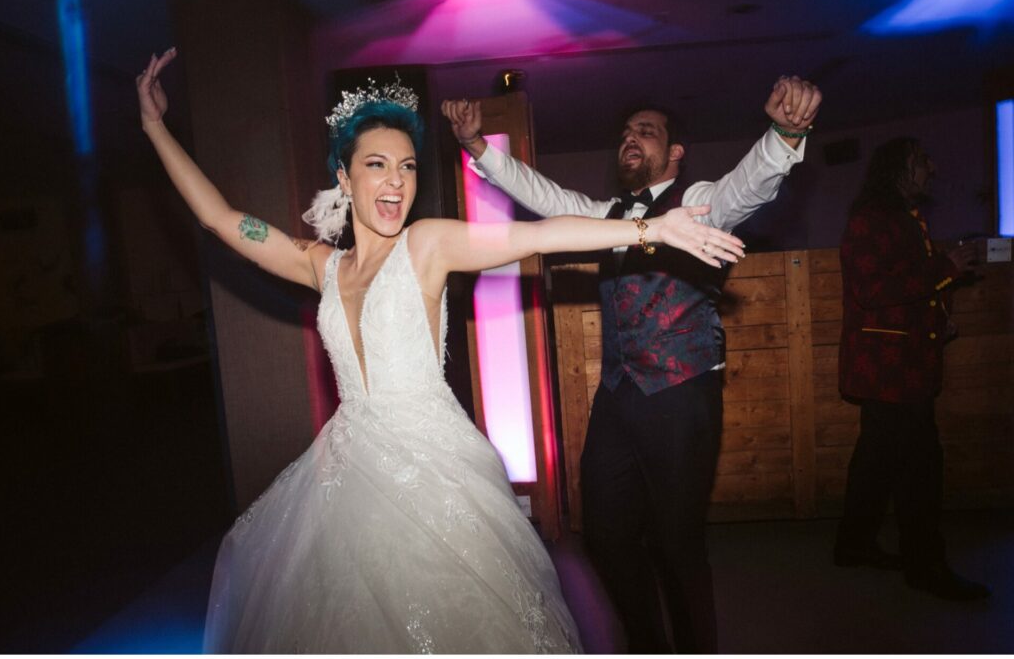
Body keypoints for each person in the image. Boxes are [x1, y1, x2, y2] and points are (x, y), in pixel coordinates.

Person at [136, 48, 745, 653]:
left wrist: (651, 228)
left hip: (433, 470)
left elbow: (536, 235)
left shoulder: (426, 246)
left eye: (407, 166)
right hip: (347, 473)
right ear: (345, 179)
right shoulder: (321, 265)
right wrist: (155, 127)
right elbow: (221, 219)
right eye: (377, 165)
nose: (397, 181)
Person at [442, 75, 821, 653]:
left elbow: (746, 188)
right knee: (608, 537)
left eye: (646, 132)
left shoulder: (697, 203)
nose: (631, 139)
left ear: (674, 152)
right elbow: (545, 199)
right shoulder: (608, 215)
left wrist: (783, 136)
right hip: (618, 397)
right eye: (625, 133)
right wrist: (478, 149)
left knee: (677, 543)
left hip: (681, 394)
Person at [834, 137, 990, 601]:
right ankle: (925, 567)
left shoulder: (900, 216)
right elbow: (873, 290)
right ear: (901, 167)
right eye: (924, 160)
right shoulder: (871, 219)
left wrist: (938, 318)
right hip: (890, 370)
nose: (933, 167)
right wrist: (945, 268)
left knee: (876, 462)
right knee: (920, 468)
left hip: (899, 365)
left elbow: (902, 291)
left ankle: (854, 545)